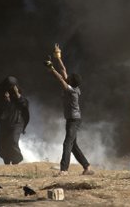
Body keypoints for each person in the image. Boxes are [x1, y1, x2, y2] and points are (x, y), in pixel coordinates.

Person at [45, 43, 93, 176]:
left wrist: (51, 68)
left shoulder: (71, 91)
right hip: (72, 119)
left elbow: (60, 78)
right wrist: (57, 56)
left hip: (74, 120)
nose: (68, 76)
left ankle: (64, 170)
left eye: (69, 77)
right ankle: (87, 167)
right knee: (73, 145)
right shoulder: (72, 86)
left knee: (67, 144)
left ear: (71, 81)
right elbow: (63, 69)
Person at [0, 76, 30, 165]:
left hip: (16, 123)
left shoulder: (21, 99)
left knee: (13, 142)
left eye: (13, 87)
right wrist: (5, 101)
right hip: (4, 123)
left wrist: (16, 92)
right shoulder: (2, 97)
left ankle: (17, 160)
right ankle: (7, 160)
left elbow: (23, 104)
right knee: (0, 145)